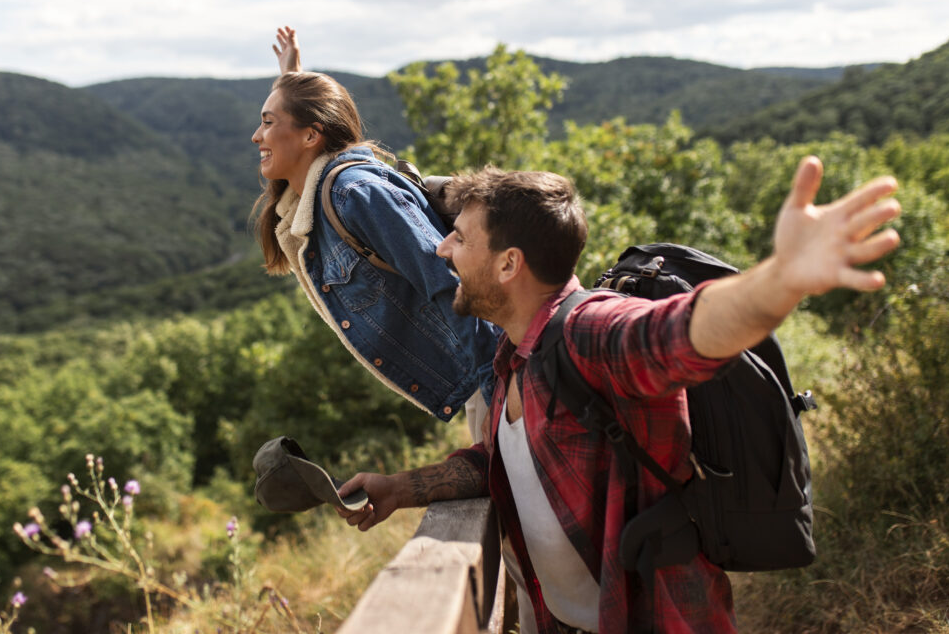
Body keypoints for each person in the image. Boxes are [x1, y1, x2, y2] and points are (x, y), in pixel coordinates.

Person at [335, 158, 901, 633]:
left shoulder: (590, 332)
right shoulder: (513, 355)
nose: (441, 250)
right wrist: (402, 488)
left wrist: (782, 279)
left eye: (460, 238)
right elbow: (509, 459)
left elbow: (682, 333)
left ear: (509, 264)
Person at [250, 26, 499, 433]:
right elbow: (303, 134)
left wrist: (498, 384)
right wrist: (291, 76)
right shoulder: (309, 203)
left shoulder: (357, 194)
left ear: (312, 135)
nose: (256, 135)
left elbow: (448, 282)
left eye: (267, 122)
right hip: (480, 375)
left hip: (494, 367)